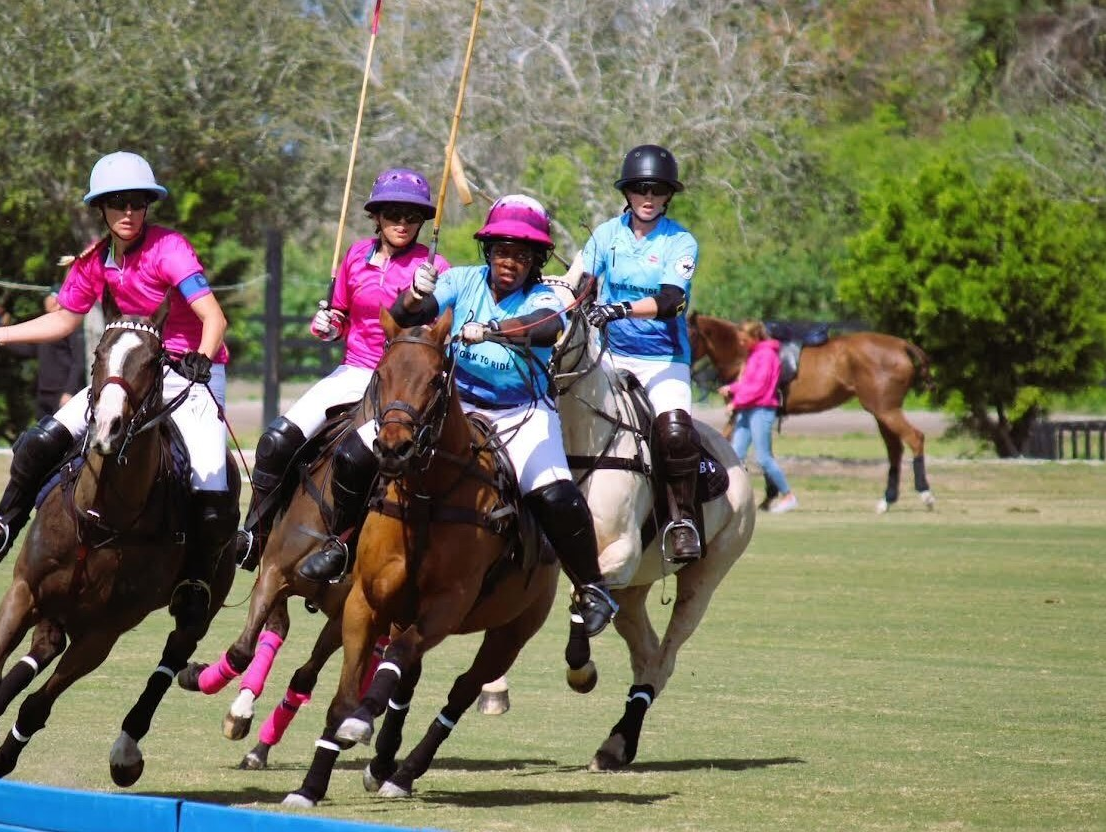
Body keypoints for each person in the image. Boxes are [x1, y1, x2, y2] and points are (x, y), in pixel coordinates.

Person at [298, 194, 616, 638]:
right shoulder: (462, 280)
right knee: (355, 452)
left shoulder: (544, 295)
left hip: (518, 412)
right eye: (502, 250)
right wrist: (416, 292)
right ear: (489, 251)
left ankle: (593, 587)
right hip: (453, 406)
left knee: (555, 496)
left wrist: (492, 330)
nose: (510, 261)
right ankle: (340, 542)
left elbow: (546, 326)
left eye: (522, 254)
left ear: (536, 259)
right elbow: (401, 318)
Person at [0, 150, 234, 626]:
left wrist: (202, 360)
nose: (128, 212)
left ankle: (196, 580)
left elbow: (214, 318)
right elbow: (65, 318)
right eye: (117, 202)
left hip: (190, 370)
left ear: (148, 207)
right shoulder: (94, 259)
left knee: (210, 479)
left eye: (138, 203)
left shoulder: (171, 249)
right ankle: (3, 524)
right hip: (130, 370)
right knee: (41, 441)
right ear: (101, 208)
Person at [238, 167, 450, 567]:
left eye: (411, 216)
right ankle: (255, 533)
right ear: (377, 217)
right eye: (393, 214)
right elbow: (339, 315)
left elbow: (435, 335)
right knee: (276, 440)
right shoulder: (355, 255)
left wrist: (428, 293)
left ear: (422, 221)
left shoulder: (435, 267)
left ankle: (340, 541)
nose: (402, 224)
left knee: (355, 457)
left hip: (399, 383)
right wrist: (328, 324)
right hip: (353, 371)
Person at [581, 144, 705, 563]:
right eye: (639, 189)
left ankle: (681, 520)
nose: (647, 198)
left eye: (656, 190)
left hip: (662, 359)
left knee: (673, 432)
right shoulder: (605, 235)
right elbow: (576, 279)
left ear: (668, 195)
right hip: (609, 355)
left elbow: (671, 299)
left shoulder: (680, 241)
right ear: (627, 193)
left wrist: (618, 308)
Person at [719, 320, 797, 513]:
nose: (741, 344)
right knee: (735, 455)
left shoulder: (767, 355)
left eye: (744, 340)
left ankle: (788, 495)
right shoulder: (755, 355)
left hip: (761, 409)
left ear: (755, 337)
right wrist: (732, 388)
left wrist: (735, 402)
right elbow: (748, 383)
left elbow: (759, 387)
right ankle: (731, 496)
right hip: (748, 408)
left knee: (763, 457)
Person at [5, 292, 86, 419]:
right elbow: (29, 351)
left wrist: (70, 391)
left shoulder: (70, 326)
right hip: (44, 393)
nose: (53, 301)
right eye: (50, 297)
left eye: (56, 297)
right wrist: (2, 339)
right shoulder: (46, 328)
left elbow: (79, 362)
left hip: (63, 393)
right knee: (42, 435)